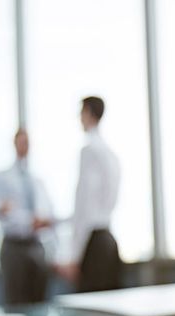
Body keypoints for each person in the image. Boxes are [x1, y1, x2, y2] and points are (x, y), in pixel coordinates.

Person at [60, 96, 122, 293]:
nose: (79, 118)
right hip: (108, 241)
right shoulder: (110, 153)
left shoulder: (89, 151)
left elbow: (84, 207)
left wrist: (74, 256)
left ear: (88, 113)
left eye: (81, 113)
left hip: (93, 245)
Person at [0, 129, 56, 305]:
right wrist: (30, 221)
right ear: (14, 143)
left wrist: (44, 220)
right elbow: (0, 210)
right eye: (21, 141)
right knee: (16, 303)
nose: (24, 146)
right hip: (14, 247)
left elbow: (49, 212)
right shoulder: (0, 178)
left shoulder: (37, 180)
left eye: (27, 142)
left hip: (36, 245)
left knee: (40, 302)